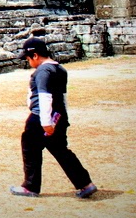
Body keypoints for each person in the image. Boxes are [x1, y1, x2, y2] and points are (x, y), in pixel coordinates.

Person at [11, 37, 97, 199]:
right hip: (59, 116)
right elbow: (63, 97)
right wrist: (63, 118)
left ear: (35, 56)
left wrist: (45, 123)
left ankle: (30, 187)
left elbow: (44, 96)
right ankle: (86, 184)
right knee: (61, 150)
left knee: (30, 148)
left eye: (28, 58)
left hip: (41, 118)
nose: (28, 62)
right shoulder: (60, 69)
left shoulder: (43, 71)